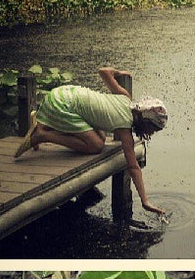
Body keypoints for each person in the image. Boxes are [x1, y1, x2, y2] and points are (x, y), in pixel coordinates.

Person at [14, 67, 168, 216]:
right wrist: (145, 200)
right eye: (153, 129)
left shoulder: (125, 96)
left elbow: (104, 72)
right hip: (63, 104)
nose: (152, 133)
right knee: (96, 145)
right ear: (145, 122)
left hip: (65, 92)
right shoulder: (125, 130)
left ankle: (44, 122)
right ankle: (41, 134)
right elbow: (133, 167)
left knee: (100, 137)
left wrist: (119, 73)